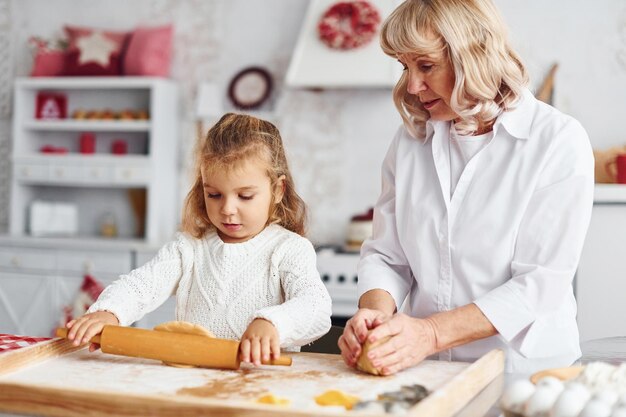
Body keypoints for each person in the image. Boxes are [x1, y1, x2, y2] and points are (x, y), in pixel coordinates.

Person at [339, 0, 594, 374]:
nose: (412, 85)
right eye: (405, 67)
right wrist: (373, 315)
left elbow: (540, 284)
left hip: (523, 373)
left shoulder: (556, 141)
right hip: (427, 370)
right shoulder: (411, 140)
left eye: (426, 66)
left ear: (474, 56)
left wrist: (429, 333)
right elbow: (387, 255)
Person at [66, 113, 332, 366]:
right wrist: (110, 311)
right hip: (192, 379)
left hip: (260, 382)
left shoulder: (289, 249)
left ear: (277, 190)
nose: (227, 209)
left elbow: (316, 308)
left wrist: (273, 323)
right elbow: (143, 284)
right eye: (214, 194)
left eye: (245, 196)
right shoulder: (189, 247)